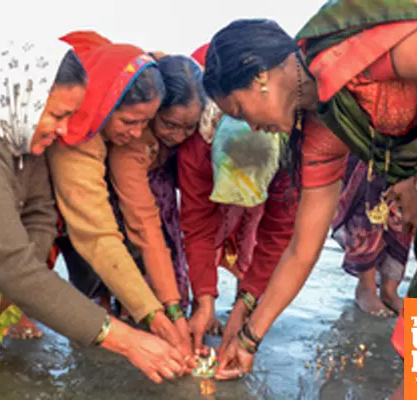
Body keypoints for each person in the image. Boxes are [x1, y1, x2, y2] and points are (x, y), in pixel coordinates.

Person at [201, 1, 417, 391]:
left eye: (240, 111)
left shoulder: (343, 57)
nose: (252, 127)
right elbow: (301, 249)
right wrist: (248, 340)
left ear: (259, 76)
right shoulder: (318, 129)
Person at [0, 38, 185, 398]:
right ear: (28, 96)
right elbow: (10, 261)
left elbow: (40, 213)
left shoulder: (16, 124)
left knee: (10, 271)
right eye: (58, 116)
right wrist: (125, 340)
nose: (67, 131)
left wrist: (20, 289)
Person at [48, 31, 193, 364]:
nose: (137, 134)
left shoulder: (139, 75)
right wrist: (154, 315)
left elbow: (144, 221)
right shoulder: (76, 132)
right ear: (105, 103)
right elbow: (96, 234)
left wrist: (169, 307)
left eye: (146, 123)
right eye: (130, 121)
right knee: (36, 238)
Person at [180, 44, 298, 354]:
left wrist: (246, 310)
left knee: (250, 241)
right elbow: (197, 227)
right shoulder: (198, 146)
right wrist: (205, 300)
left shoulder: (294, 150)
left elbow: (281, 236)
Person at [107, 54, 206, 314]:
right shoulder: (132, 142)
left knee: (173, 245)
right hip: (121, 192)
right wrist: (169, 309)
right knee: (128, 249)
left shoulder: (203, 131)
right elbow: (144, 224)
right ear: (153, 111)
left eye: (189, 128)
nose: (178, 136)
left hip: (161, 182)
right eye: (170, 125)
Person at [332, 153, 412, 317]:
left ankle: (389, 289)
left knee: (401, 211)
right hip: (369, 139)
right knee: (366, 203)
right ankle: (366, 286)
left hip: (409, 143)